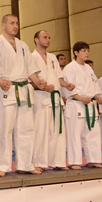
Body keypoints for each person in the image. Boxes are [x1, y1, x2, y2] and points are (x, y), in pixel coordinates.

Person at [0, 14, 45, 177]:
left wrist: (38, 82)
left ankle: (25, 164)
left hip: (23, 91)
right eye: (12, 23)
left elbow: (31, 69)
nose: (15, 26)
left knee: (26, 129)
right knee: (4, 130)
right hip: (6, 90)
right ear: (3, 25)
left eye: (17, 23)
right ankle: (1, 165)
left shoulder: (23, 45)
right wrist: (0, 81)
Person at [32, 30, 74, 171]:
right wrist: (43, 87)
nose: (48, 40)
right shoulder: (31, 57)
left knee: (58, 131)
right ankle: (39, 162)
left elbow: (58, 77)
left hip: (55, 98)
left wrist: (66, 85)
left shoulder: (52, 58)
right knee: (41, 131)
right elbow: (29, 80)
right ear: (36, 40)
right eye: (45, 37)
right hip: (40, 98)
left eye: (49, 37)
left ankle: (58, 161)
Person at [61, 42, 102, 170]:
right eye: (83, 50)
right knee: (75, 134)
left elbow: (94, 84)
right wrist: (80, 98)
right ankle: (75, 161)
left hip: (89, 103)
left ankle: (94, 159)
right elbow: (67, 88)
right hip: (76, 104)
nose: (87, 53)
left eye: (88, 50)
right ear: (76, 53)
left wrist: (97, 96)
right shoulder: (70, 68)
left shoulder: (88, 68)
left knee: (93, 133)